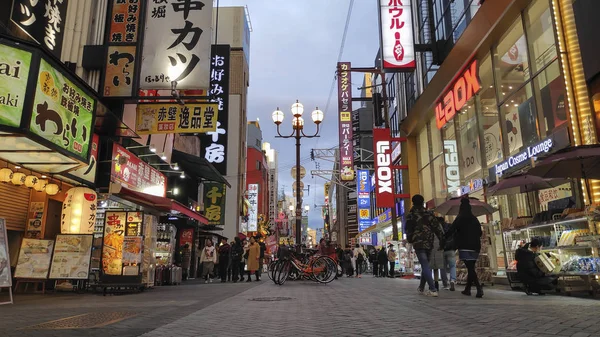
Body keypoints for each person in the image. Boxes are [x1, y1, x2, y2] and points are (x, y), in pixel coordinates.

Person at [406, 194, 445, 297]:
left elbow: (409, 230)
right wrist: (442, 240)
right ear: (422, 202)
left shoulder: (411, 215)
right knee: (426, 264)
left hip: (418, 243)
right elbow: (437, 228)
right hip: (429, 242)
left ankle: (432, 289)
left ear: (413, 202)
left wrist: (410, 240)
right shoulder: (429, 214)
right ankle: (421, 287)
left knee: (425, 264)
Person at [448, 198, 483, 298]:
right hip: (476, 246)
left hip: (465, 246)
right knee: (471, 266)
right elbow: (480, 233)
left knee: (470, 268)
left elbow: (451, 230)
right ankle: (467, 289)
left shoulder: (460, 218)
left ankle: (478, 288)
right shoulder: (474, 219)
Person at [441, 218, 457, 291]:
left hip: (442, 250)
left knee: (443, 267)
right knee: (452, 266)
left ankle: (445, 283)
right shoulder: (450, 227)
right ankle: (452, 280)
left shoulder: (439, 228)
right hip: (451, 249)